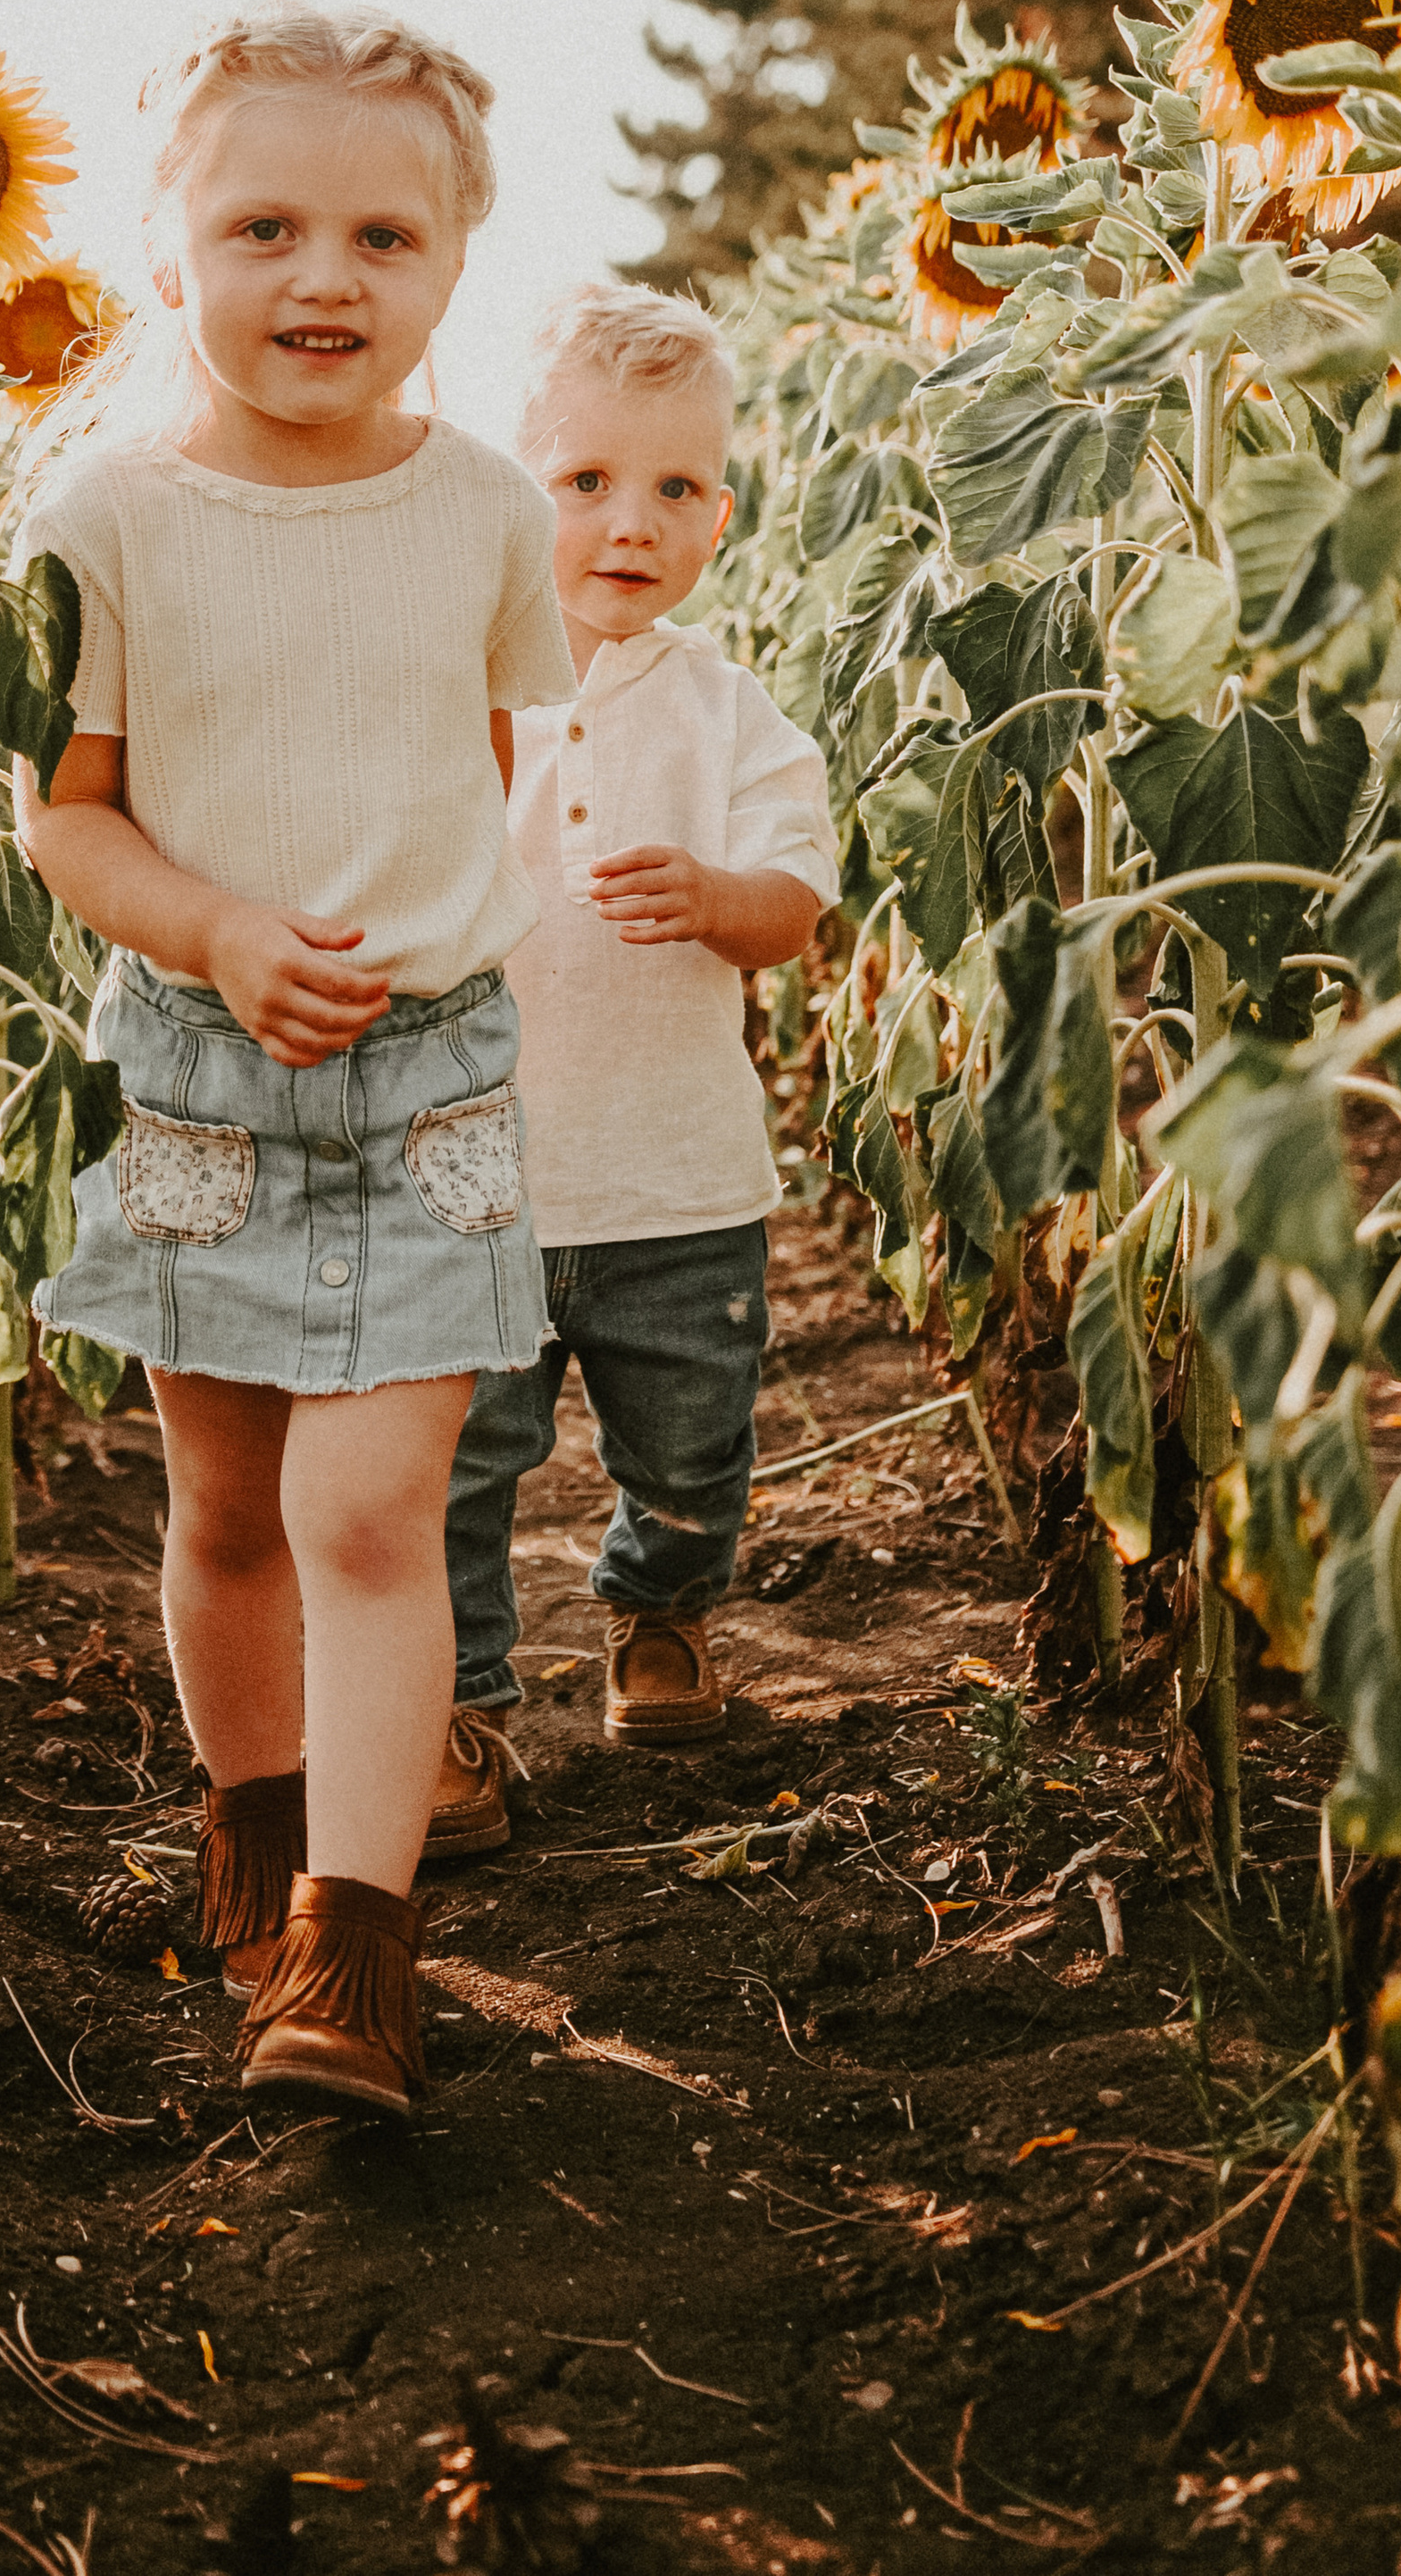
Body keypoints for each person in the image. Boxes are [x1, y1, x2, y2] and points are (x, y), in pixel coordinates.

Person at [12, 5, 576, 2113]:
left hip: (425, 1080)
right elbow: (62, 814)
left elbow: (485, 761)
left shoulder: (489, 516)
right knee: (228, 1502)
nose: (321, 276)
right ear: (170, 259)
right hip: (188, 1070)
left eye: (379, 236)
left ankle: (356, 1945)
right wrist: (225, 933)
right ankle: (253, 1840)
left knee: (368, 1508)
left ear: (447, 267)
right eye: (262, 224)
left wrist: (407, 938)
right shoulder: (109, 520)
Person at [430, 279, 839, 1853]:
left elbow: (793, 905)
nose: (631, 521)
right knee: (461, 1463)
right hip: (477, 1179)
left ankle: (658, 1617)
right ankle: (459, 1698)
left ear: (719, 517)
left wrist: (716, 898)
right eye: (586, 479)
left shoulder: (731, 713)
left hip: (678, 1177)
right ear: (506, 488)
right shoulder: (462, 698)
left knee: (691, 1442)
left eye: (676, 488)